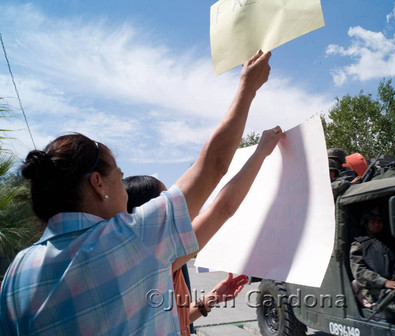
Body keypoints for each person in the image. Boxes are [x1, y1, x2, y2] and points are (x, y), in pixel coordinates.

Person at [0, 51, 277, 335]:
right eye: (119, 178)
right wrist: (247, 88)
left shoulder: (15, 273)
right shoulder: (131, 240)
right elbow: (215, 167)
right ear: (98, 184)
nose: (125, 193)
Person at [124, 175, 248, 336]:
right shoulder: (157, 259)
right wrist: (262, 152)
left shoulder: (155, 261)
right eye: (165, 205)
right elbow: (223, 208)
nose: (175, 211)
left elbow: (179, 320)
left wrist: (213, 298)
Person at [350, 208, 395, 321]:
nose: (377, 225)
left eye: (379, 222)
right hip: (377, 289)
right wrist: (384, 282)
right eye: (373, 222)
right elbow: (359, 272)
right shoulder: (359, 245)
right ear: (366, 224)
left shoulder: (391, 242)